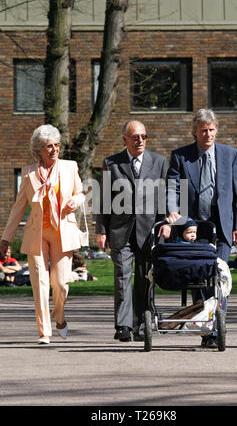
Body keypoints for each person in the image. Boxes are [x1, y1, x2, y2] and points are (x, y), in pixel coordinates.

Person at [0, 124, 87, 345]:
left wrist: (74, 202)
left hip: (62, 232)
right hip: (37, 234)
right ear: (39, 149)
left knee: (60, 283)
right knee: (39, 282)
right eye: (49, 146)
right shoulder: (28, 173)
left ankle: (59, 317)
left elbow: (80, 193)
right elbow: (19, 207)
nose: (54, 150)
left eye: (57, 145)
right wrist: (6, 236)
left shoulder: (69, 167)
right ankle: (44, 332)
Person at [165, 108, 237, 348]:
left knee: (219, 276)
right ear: (195, 132)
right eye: (203, 131)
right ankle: (206, 328)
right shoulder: (181, 156)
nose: (208, 134)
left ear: (216, 130)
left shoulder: (230, 154)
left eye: (211, 130)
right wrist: (172, 210)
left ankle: (217, 325)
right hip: (194, 228)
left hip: (222, 226)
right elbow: (172, 188)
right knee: (199, 276)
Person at [96, 120, 168, 342]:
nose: (140, 141)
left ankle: (142, 324)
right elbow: (104, 199)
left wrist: (167, 222)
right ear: (124, 139)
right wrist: (101, 229)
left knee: (145, 278)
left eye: (143, 136)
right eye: (135, 137)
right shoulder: (112, 163)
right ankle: (124, 325)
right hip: (121, 230)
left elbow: (168, 194)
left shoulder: (160, 162)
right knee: (122, 276)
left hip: (149, 232)